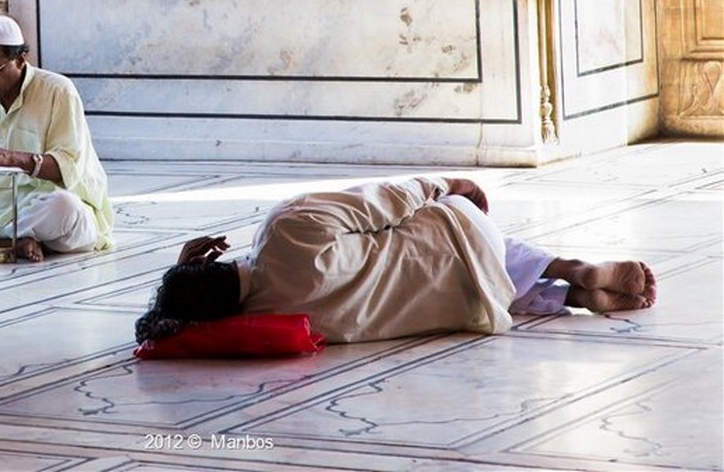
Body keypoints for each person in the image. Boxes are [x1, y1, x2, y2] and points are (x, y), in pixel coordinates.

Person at [135, 176, 656, 344]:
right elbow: (386, 197)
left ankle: (564, 294)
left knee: (473, 283)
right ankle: (565, 268)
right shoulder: (283, 228)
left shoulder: (268, 318)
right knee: (456, 233)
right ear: (210, 263)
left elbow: (177, 320)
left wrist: (185, 293)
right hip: (464, 241)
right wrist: (450, 185)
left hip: (474, 309)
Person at [0, 14, 114, 261]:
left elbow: (67, 167)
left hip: (42, 208)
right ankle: (9, 242)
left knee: (65, 208)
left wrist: (11, 159)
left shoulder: (58, 90)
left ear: (19, 60)